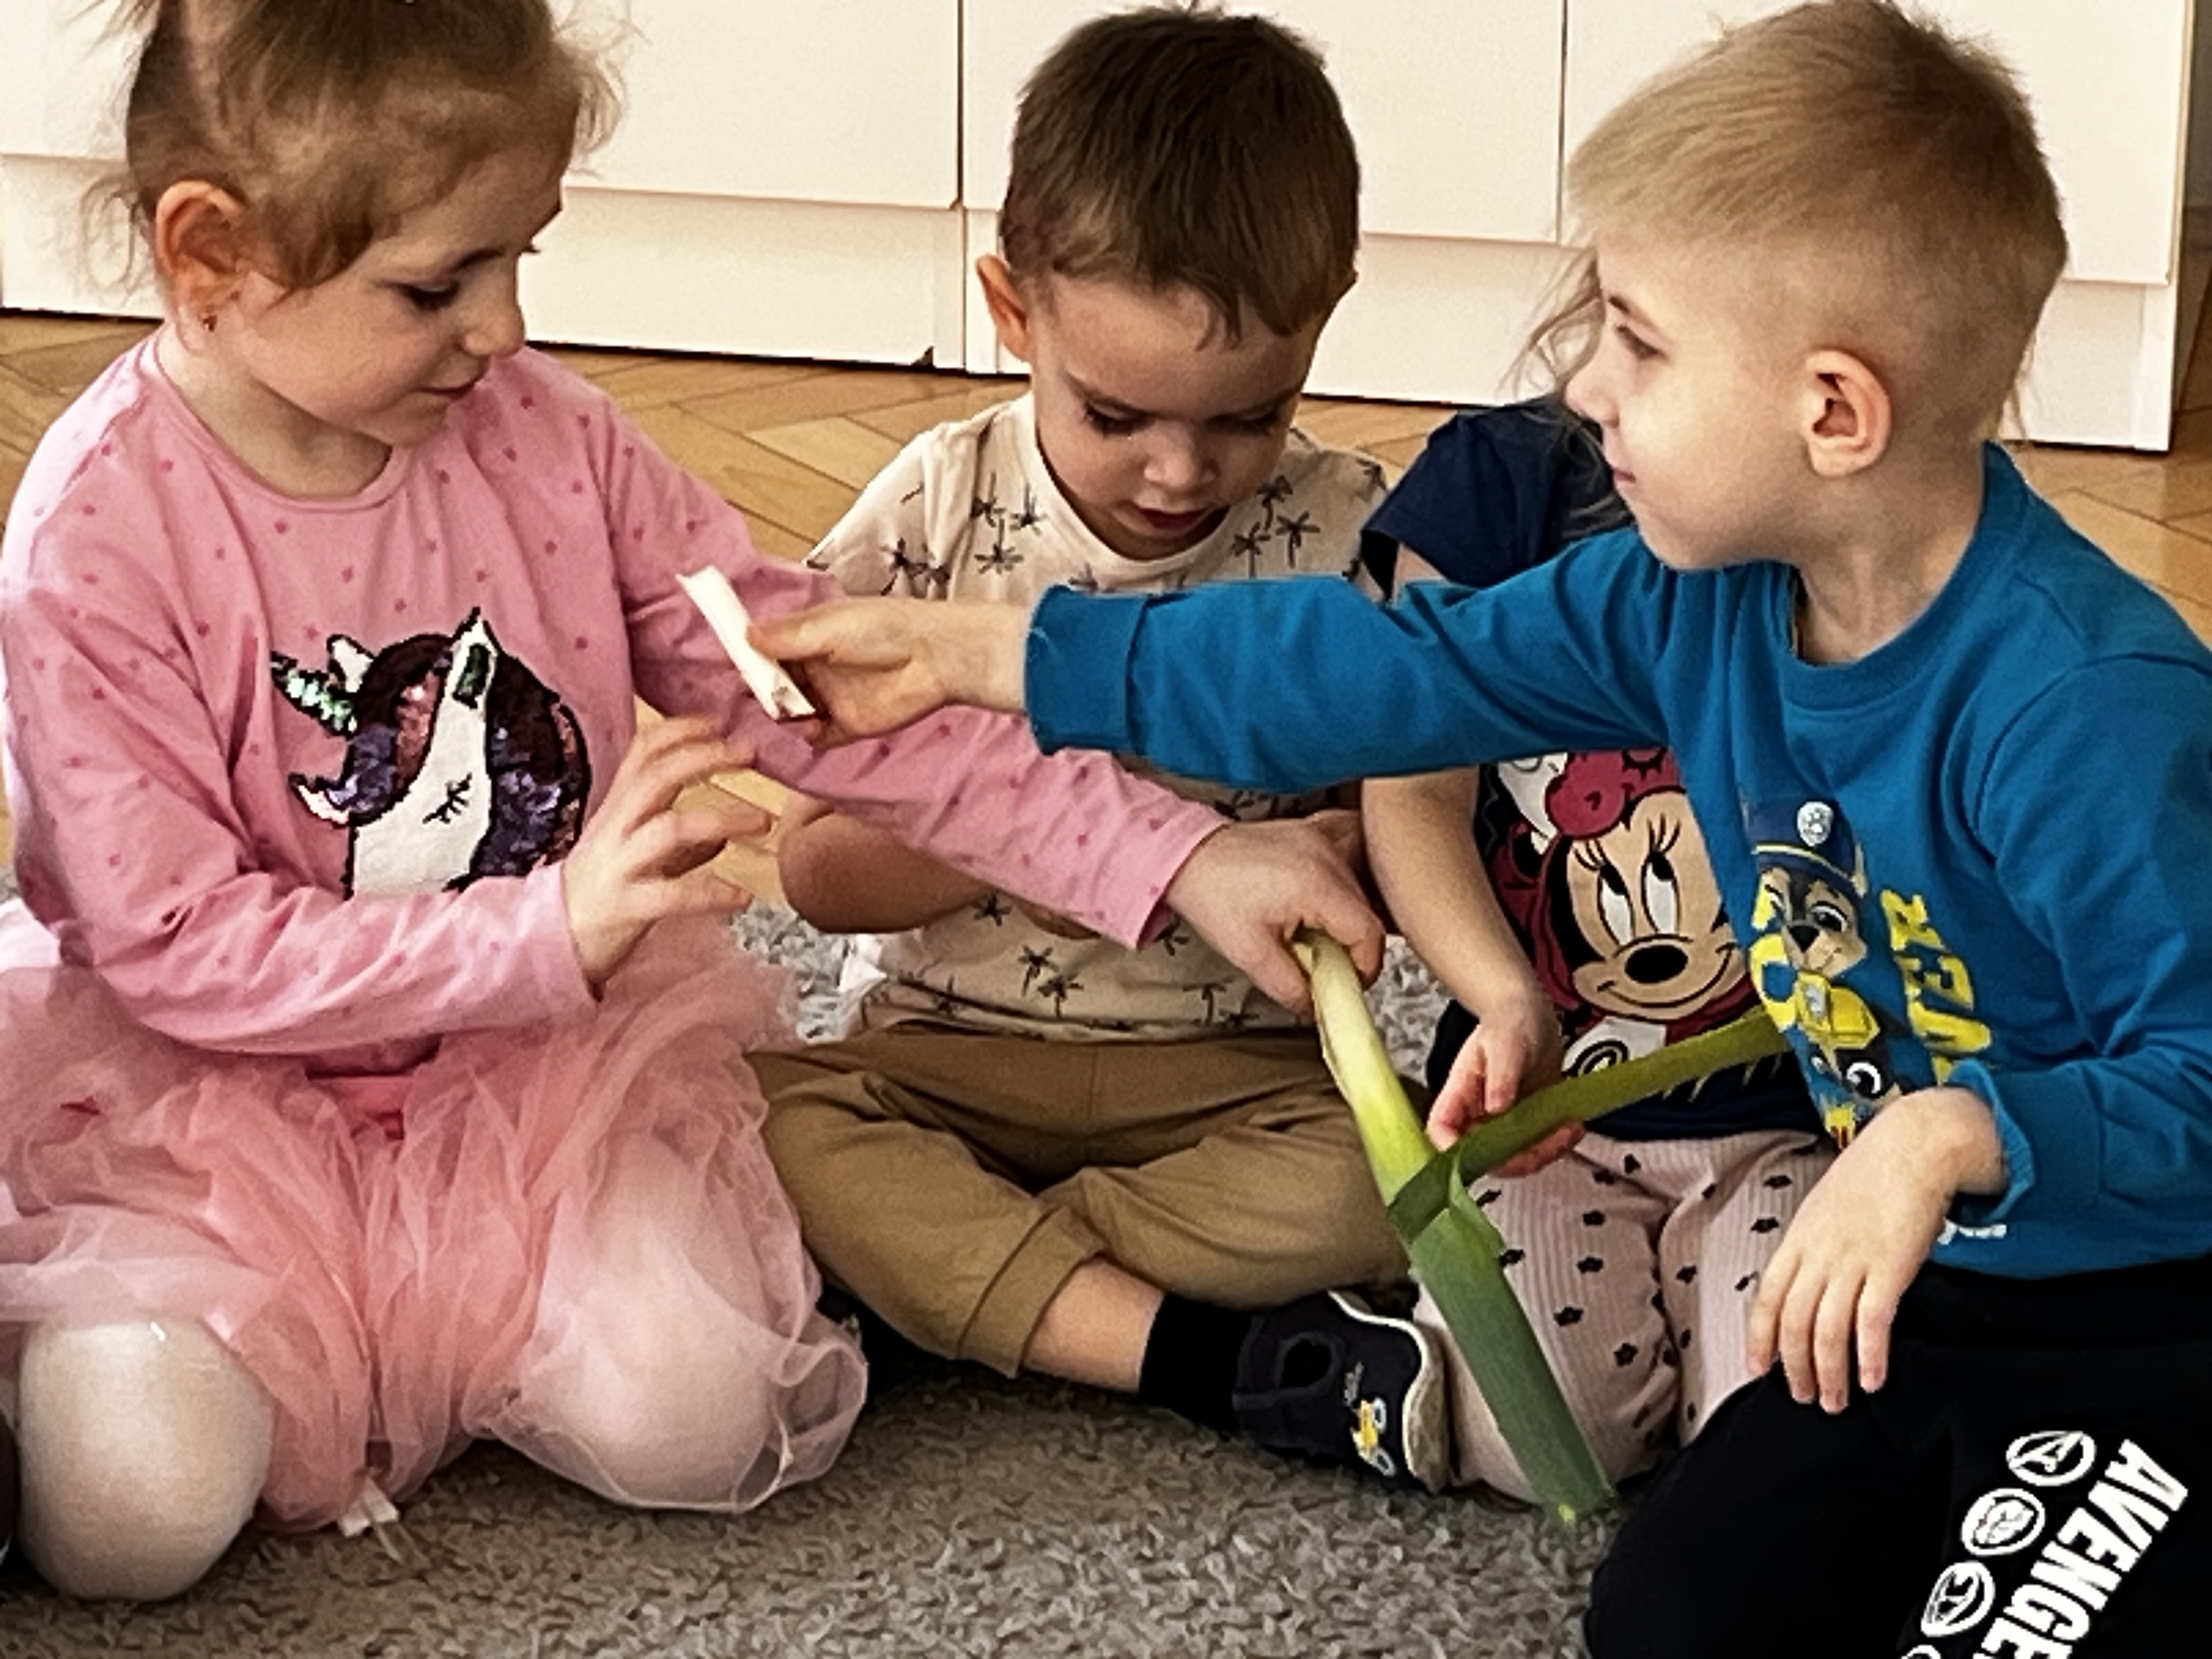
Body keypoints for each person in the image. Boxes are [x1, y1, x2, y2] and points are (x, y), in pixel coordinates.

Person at [755, 2, 2212, 1650]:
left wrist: (1952, 1137)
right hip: (1925, 1286)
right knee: (1669, 1620)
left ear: (1831, 414)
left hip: (2150, 1301)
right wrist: (995, 657)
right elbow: (1377, 673)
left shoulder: (2084, 704)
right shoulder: (1692, 601)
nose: (1584, 384)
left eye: (1640, 345)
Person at [0, 0, 1384, 1602]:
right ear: (211, 254)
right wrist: (546, 930)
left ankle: (444, 1336)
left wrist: (1179, 853)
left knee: (700, 1418)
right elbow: (175, 945)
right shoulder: (96, 536)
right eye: (439, 285)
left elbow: (836, 698)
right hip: (213, 1113)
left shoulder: (548, 442)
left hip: (532, 1083)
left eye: (523, 256)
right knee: (133, 1511)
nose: (504, 329)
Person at [751, 4, 1449, 1496]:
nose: (1181, 472)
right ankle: (1145, 1332)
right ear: (1012, 310)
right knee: (752, 1125)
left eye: (1249, 416)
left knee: (1390, 1190)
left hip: (1231, 1079)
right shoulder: (934, 514)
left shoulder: (1355, 536)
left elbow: (1412, 837)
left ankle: (973, 1283)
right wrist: (1041, 842)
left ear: (1330, 312)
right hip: (943, 1059)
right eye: (1117, 414)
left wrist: (1359, 854)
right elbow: (816, 876)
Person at [1360, 397, 1828, 1497]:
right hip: (1541, 1127)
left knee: (1784, 1438)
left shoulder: (1856, 499)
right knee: (1533, 1441)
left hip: (1792, 1123)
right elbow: (1414, 794)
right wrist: (1505, 999)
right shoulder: (1498, 482)